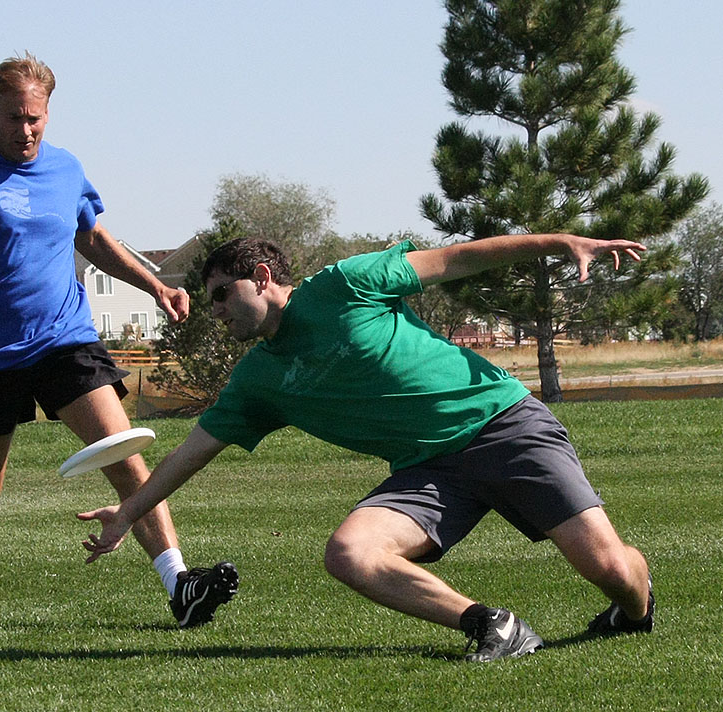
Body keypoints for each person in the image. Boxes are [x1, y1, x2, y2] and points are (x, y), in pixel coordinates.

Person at [77, 233, 655, 661]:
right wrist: (128, 512)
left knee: (610, 570)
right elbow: (190, 454)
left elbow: (457, 258)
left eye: (222, 295)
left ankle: (635, 608)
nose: (218, 311)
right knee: (350, 554)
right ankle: (491, 625)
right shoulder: (257, 380)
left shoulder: (345, 284)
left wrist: (561, 243)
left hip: (504, 425)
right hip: (430, 471)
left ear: (260, 276)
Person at [0, 52, 237, 629]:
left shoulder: (67, 170)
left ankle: (179, 582)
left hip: (64, 340)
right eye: (13, 118)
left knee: (125, 453)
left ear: (48, 115)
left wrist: (154, 285)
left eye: (36, 120)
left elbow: (94, 238)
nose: (25, 131)